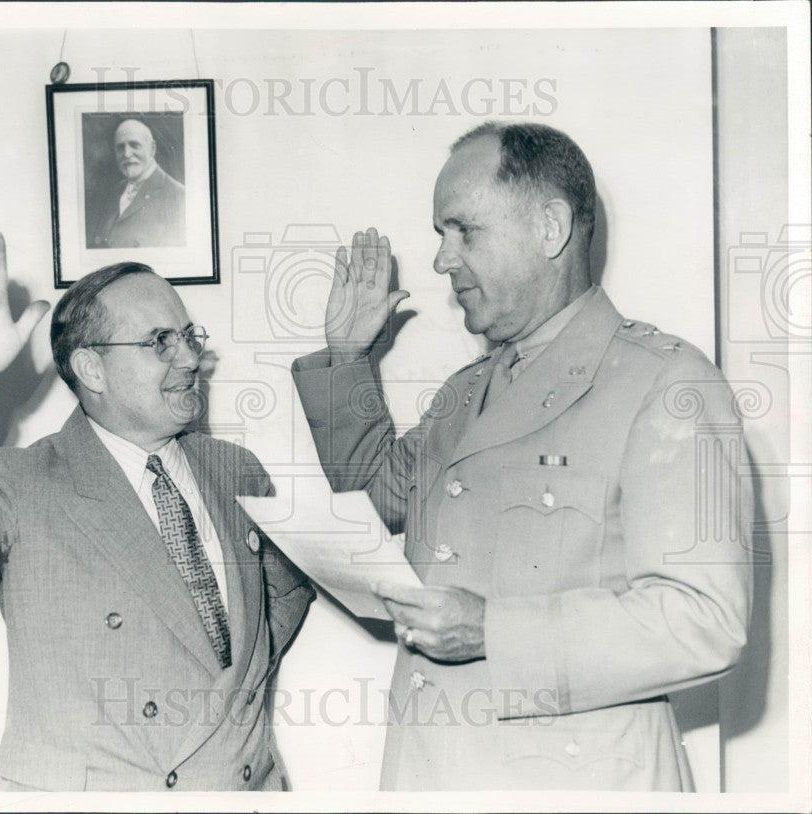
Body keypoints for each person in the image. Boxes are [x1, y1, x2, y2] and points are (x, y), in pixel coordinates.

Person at [291, 122, 752, 791]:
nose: (442, 260)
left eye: (463, 230)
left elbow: (706, 621)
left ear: (550, 227)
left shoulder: (667, 381)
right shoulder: (467, 390)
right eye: (440, 234)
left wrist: (492, 632)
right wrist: (347, 358)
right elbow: (374, 499)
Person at [0, 222, 313, 791]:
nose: (191, 359)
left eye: (189, 336)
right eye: (159, 342)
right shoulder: (20, 485)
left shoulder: (236, 470)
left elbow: (280, 604)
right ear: (92, 369)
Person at [90, 119, 187, 249]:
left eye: (134, 145)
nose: (126, 154)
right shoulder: (115, 192)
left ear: (152, 148)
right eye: (120, 147)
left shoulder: (179, 196)